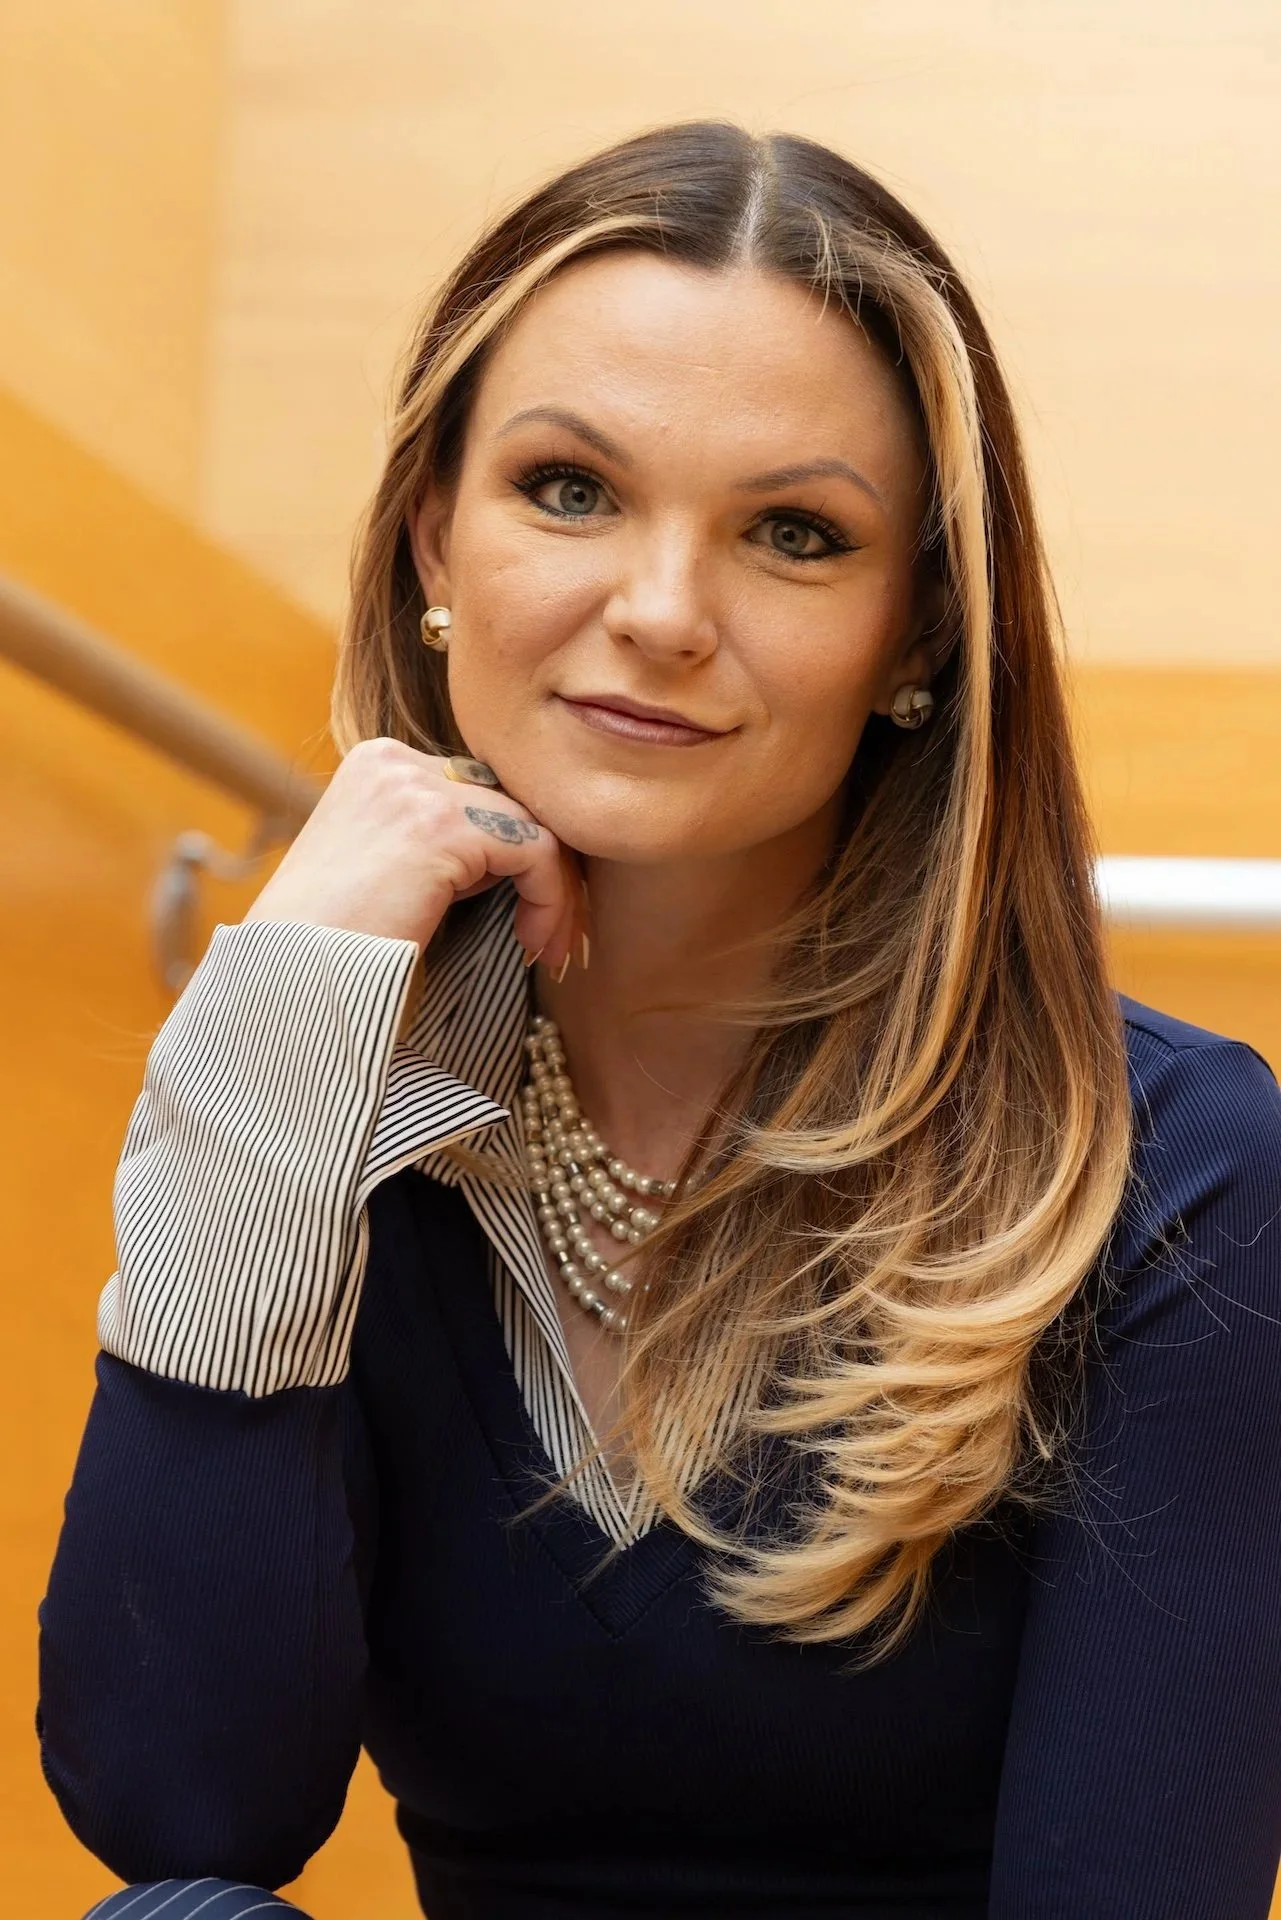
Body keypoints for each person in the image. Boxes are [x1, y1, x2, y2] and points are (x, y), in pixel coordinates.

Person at [38, 122, 1281, 1920]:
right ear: (430, 543)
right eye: (568, 489)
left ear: (918, 628)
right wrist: (265, 1058)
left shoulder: (1186, 1173)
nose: (660, 613)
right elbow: (184, 1804)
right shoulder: (332, 1107)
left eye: (793, 533)